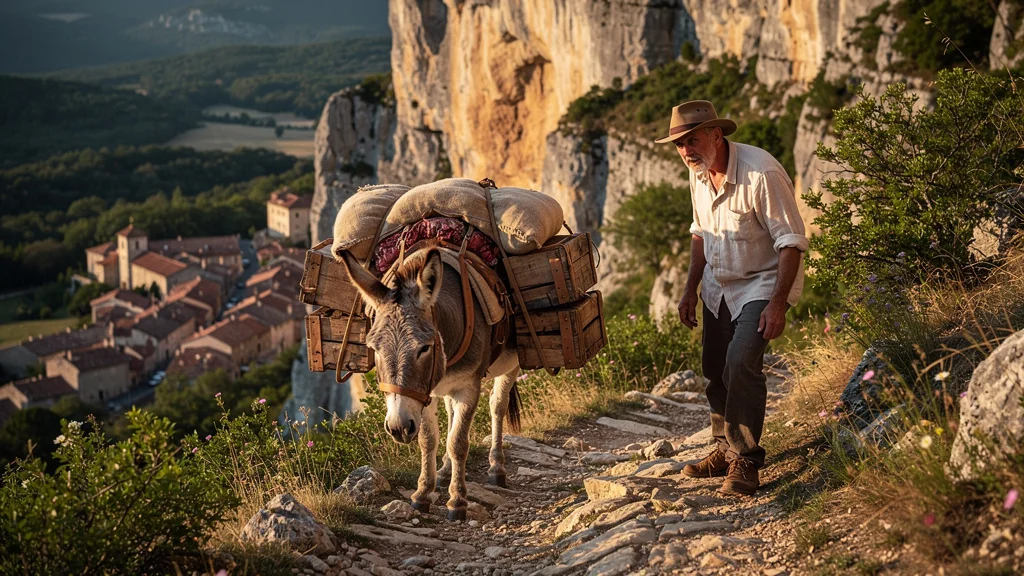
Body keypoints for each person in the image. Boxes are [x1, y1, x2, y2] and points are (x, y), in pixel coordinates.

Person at [655, 100, 808, 496]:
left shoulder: (762, 173)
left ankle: (746, 461)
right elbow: (700, 233)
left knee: (741, 361)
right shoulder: (699, 173)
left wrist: (777, 304)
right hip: (717, 286)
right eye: (679, 144)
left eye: (693, 140)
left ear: (716, 135)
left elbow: (791, 242)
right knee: (714, 368)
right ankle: (723, 448)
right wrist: (690, 289)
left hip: (761, 284)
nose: (686, 150)